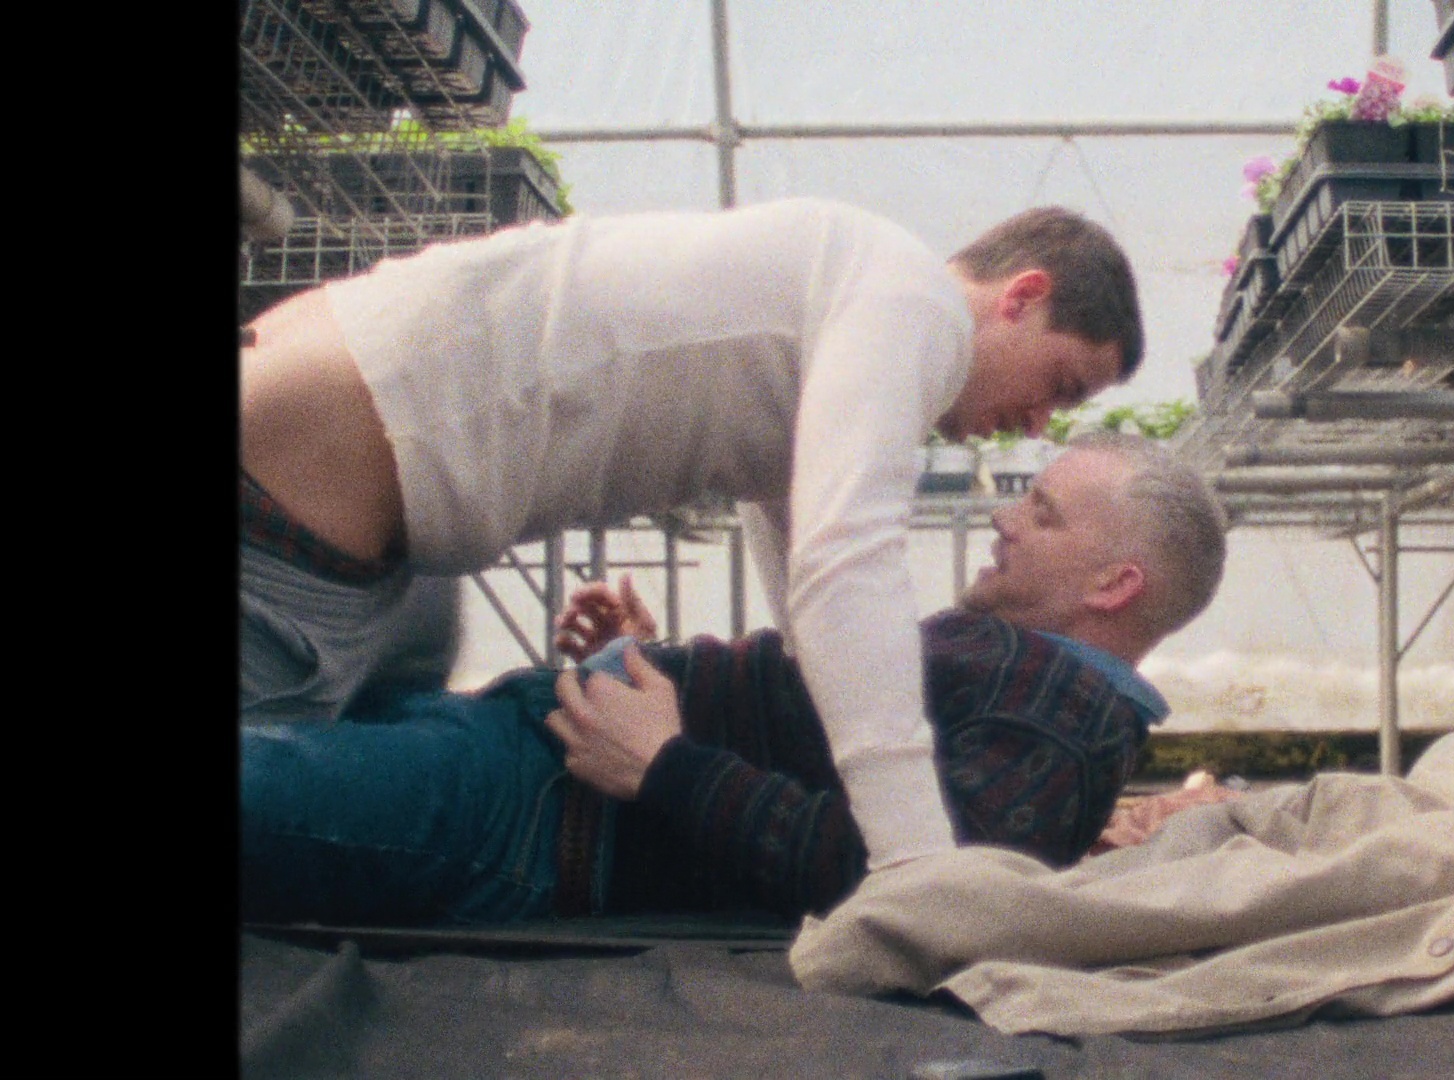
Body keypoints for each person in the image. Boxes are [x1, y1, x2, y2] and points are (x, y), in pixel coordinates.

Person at [240, 198, 1144, 871]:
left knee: (325, 821)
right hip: (308, 495)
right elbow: (846, 559)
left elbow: (800, 542)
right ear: (1022, 297)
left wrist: (808, 712)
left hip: (381, 513)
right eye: (1061, 385)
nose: (1038, 423)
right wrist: (918, 865)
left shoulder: (849, 284)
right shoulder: (918, 306)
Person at [241, 434, 1229, 926]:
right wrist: (658, 658)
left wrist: (666, 763)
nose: (1007, 520)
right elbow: (816, 737)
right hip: (529, 755)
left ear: (1115, 585)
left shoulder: (1059, 720)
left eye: (1044, 514)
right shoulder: (1032, 678)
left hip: (532, 814)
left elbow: (915, 889)